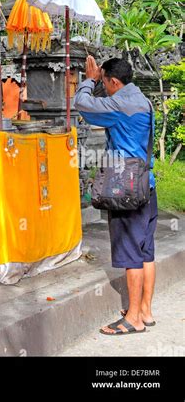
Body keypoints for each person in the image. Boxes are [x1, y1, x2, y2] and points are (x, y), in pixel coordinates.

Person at [74, 56, 157, 336]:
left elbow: (83, 106)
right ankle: (145, 310)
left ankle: (133, 318)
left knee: (131, 252)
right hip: (147, 183)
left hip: (126, 188)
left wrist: (89, 80)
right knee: (146, 250)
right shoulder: (142, 100)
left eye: (105, 83)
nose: (105, 89)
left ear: (113, 81)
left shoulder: (120, 103)